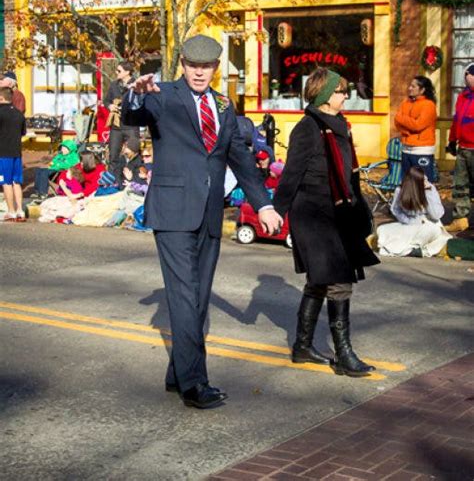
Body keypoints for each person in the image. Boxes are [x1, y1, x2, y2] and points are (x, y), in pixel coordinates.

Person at [122, 34, 282, 409]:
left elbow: (240, 158)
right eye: (192, 65)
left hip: (209, 213)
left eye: (206, 66)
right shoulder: (162, 94)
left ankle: (178, 373)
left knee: (197, 299)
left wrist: (262, 204)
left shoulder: (224, 105)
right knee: (184, 294)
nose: (198, 72)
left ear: (215, 67)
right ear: (182, 63)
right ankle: (195, 383)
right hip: (173, 210)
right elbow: (134, 115)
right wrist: (135, 93)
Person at [273, 67, 379, 377]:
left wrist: (358, 205)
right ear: (324, 94)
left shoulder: (340, 125)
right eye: (340, 90)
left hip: (338, 213)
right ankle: (343, 354)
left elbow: (348, 173)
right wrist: (276, 211)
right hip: (313, 215)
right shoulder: (308, 128)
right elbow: (291, 174)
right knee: (338, 279)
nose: (346, 95)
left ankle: (302, 346)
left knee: (319, 280)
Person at [377, 166, 449, 257]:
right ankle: (412, 248)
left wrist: (427, 192)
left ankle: (419, 250)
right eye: (423, 180)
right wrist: (408, 221)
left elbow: (437, 215)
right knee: (382, 230)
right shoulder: (400, 190)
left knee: (439, 234)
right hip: (409, 224)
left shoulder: (430, 189)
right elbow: (395, 210)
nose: (426, 181)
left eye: (425, 179)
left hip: (429, 223)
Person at [445, 62, 474, 234]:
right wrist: (452, 140)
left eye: (468, 75)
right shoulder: (463, 96)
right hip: (463, 148)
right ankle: (460, 220)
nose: (466, 78)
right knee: (460, 185)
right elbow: (457, 120)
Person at [394, 75, 437, 182]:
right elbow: (397, 121)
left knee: (423, 183)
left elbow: (418, 125)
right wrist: (406, 130)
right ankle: (408, 200)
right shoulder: (405, 103)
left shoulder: (429, 105)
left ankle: (425, 200)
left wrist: (402, 119)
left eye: (413, 86)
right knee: (406, 182)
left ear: (422, 90)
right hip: (406, 148)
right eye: (410, 85)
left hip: (422, 150)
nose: (410, 88)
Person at [104, 61, 140, 184]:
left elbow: (141, 102)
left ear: (127, 72)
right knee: (113, 155)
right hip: (116, 125)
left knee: (133, 154)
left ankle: (133, 181)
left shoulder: (137, 84)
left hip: (131, 124)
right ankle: (111, 182)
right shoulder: (114, 85)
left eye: (119, 71)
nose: (116, 73)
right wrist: (110, 106)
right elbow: (106, 100)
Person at [0, 86, 27, 221]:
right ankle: (20, 210)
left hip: (3, 153)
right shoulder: (19, 114)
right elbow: (23, 133)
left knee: (5, 182)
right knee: (17, 182)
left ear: (1, 98)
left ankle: (10, 211)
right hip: (17, 152)